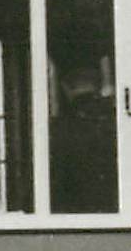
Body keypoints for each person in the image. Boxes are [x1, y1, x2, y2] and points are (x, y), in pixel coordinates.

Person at [50, 59, 117, 212]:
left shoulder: (61, 127)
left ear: (66, 88)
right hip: (110, 206)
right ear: (98, 86)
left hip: (73, 209)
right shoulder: (115, 123)